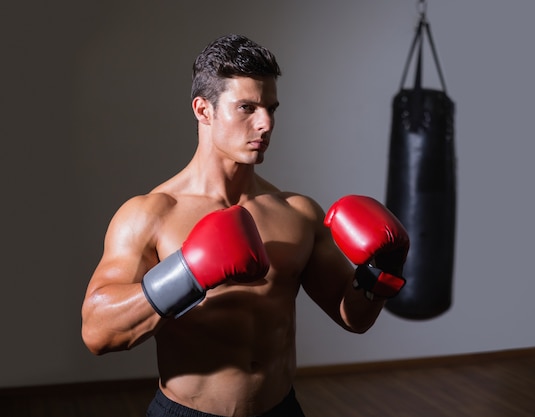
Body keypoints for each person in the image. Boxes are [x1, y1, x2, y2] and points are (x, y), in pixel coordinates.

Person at [81, 34, 410, 417]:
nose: (265, 123)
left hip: (280, 410)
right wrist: (190, 272)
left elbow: (353, 318)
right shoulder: (152, 214)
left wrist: (381, 269)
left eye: (271, 108)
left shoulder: (298, 212)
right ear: (203, 110)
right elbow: (97, 333)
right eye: (247, 107)